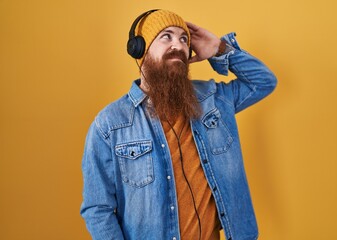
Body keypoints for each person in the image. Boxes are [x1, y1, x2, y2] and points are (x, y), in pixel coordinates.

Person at [80, 9, 277, 240]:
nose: (179, 46)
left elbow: (264, 82)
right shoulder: (110, 125)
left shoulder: (213, 99)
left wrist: (219, 49)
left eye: (184, 39)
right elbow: (97, 209)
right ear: (140, 50)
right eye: (166, 36)